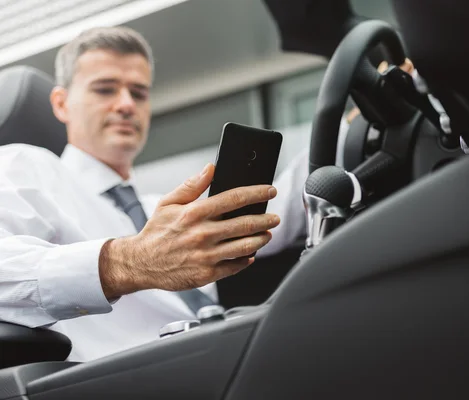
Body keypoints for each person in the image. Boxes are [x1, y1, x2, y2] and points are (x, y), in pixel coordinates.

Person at [0, 26, 281, 361]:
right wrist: (130, 262)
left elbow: (285, 211)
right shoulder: (26, 166)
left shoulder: (159, 212)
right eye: (105, 89)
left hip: (214, 360)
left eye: (139, 93)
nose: (125, 105)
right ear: (61, 104)